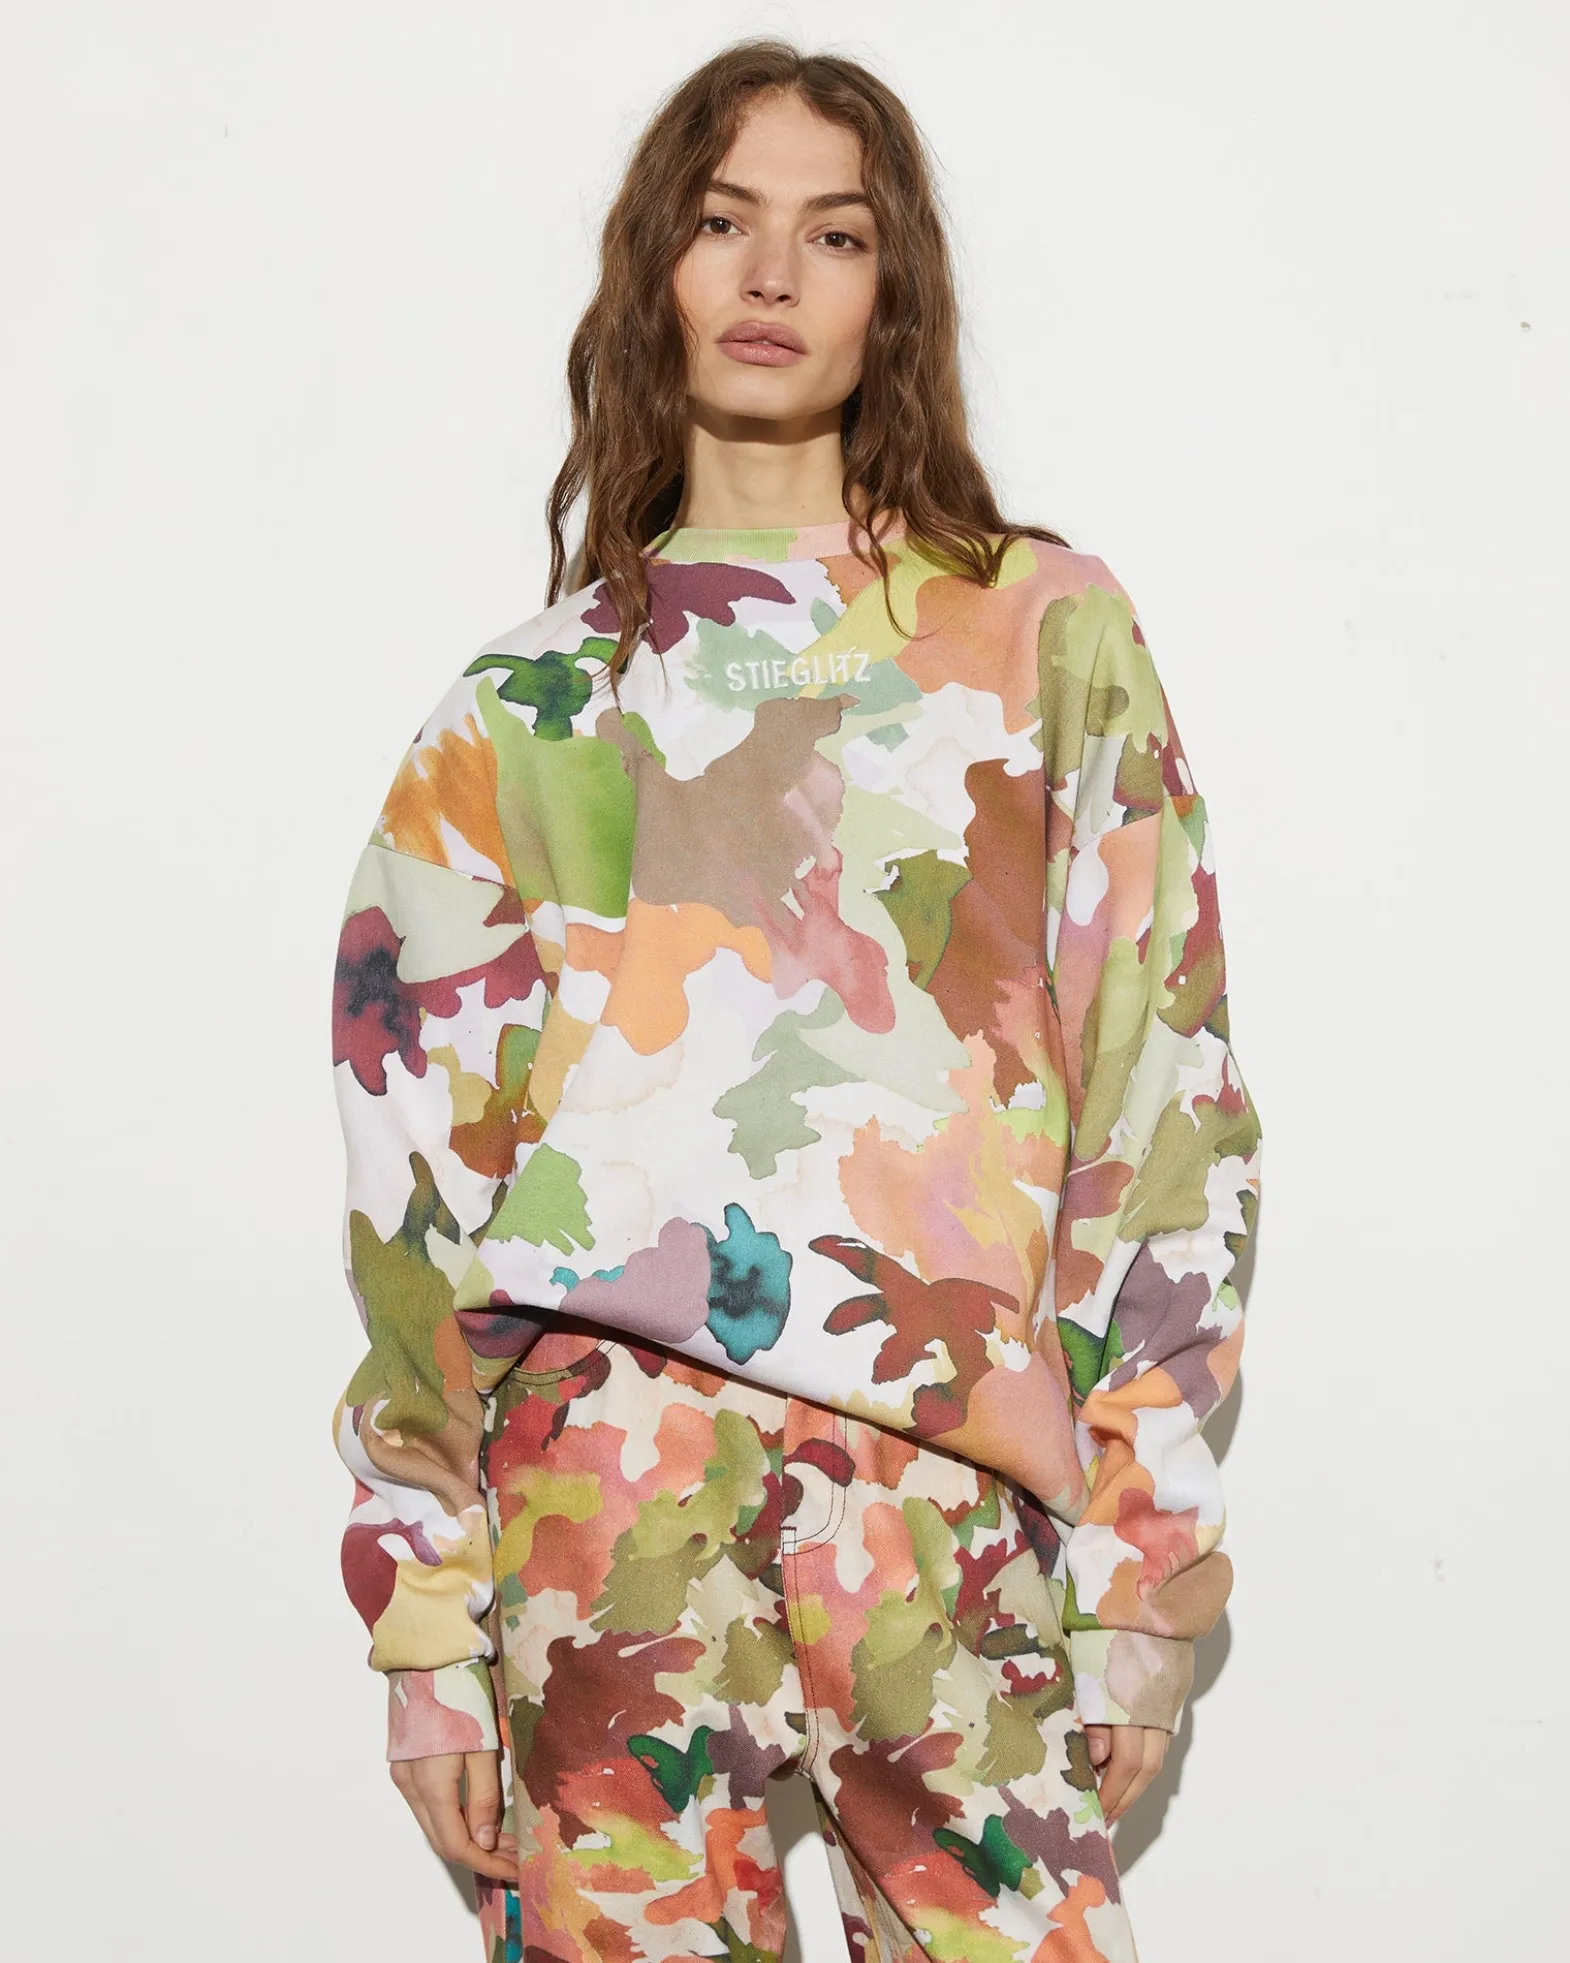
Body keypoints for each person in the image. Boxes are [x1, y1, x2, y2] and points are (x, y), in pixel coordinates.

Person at [330, 38, 1261, 1963]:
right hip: (603, 1489)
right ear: (651, 270)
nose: (770, 276)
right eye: (721, 222)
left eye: (832, 234)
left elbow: (1160, 1087)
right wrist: (428, 1615)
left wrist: (1143, 1563)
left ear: (890, 286)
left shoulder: (1037, 629)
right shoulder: (527, 706)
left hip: (952, 1492)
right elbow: (413, 1188)